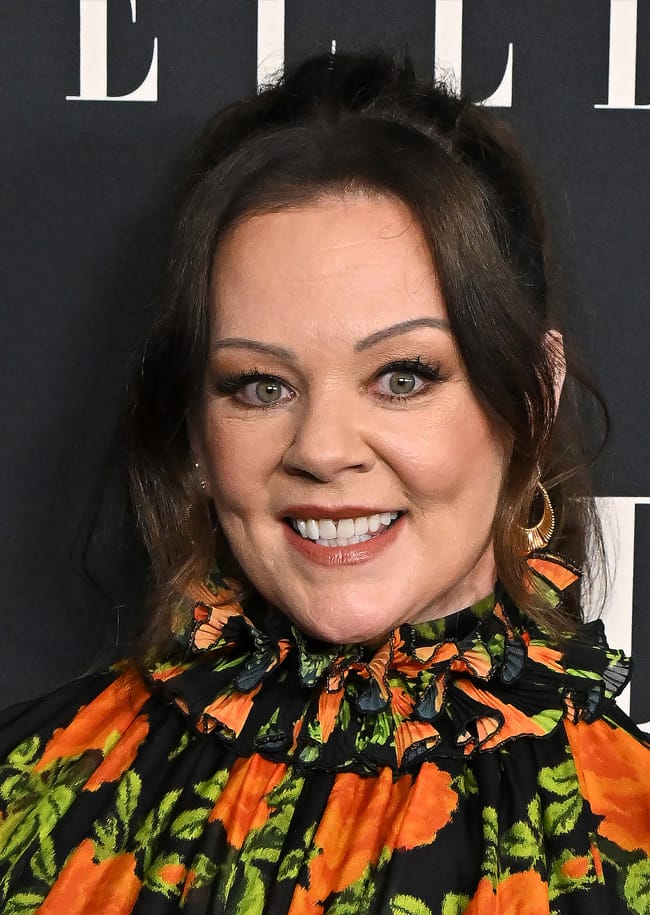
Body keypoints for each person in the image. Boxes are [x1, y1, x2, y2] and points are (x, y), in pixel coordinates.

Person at [0, 47, 648, 914]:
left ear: (532, 397)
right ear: (195, 427)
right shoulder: (21, 799)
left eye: (403, 376)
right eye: (260, 386)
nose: (323, 449)